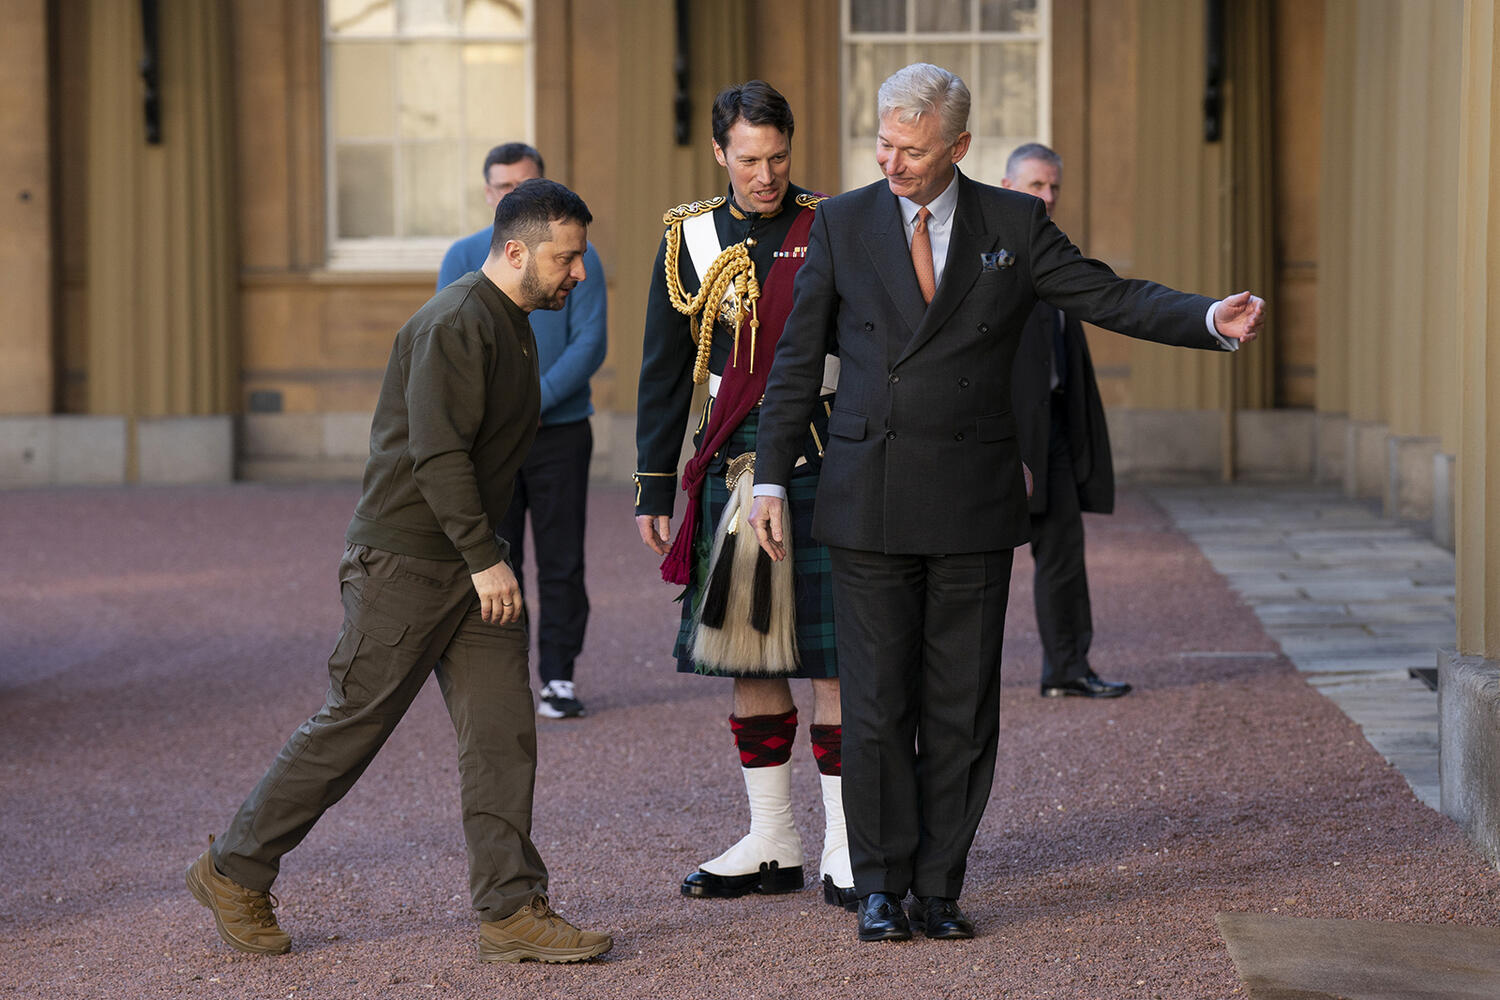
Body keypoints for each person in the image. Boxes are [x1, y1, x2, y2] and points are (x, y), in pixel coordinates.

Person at [749, 63, 1263, 944]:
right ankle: (878, 884)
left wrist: (1206, 316)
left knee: (961, 704)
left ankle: (939, 888)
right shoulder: (838, 222)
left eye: (911, 149)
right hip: (866, 494)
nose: (891, 161)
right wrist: (767, 477)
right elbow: (797, 360)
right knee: (875, 702)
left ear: (958, 147)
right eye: (882, 142)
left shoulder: (1015, 224)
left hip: (973, 501)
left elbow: (1106, 294)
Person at [185, 178, 612, 965]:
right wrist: (487, 559)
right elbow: (437, 454)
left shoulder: (513, 322)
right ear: (514, 251)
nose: (579, 274)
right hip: (407, 565)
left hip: (473, 567)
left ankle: (511, 910)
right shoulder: (455, 322)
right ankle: (232, 869)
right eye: (568, 258)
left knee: (502, 737)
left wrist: (487, 559)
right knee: (352, 727)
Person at [634, 81, 854, 909]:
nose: (767, 175)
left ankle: (844, 844)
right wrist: (655, 486)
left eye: (780, 158)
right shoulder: (686, 236)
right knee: (748, 648)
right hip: (733, 459)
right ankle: (773, 840)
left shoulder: (831, 220)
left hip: (828, 455)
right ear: (721, 153)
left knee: (834, 656)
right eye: (750, 159)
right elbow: (664, 371)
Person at [440, 143, 607, 720]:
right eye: (501, 187)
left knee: (561, 560)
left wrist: (533, 401)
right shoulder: (461, 256)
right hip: (493, 442)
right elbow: (453, 352)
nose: (511, 195)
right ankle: (501, 676)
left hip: (560, 434)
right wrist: (506, 410)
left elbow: (590, 343)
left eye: (524, 185)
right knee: (494, 557)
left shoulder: (580, 257)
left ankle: (558, 676)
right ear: (489, 196)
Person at [1001, 143, 1130, 700]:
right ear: (1007, 187)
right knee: (966, 568)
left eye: (1053, 186)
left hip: (1051, 428)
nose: (1047, 196)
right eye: (1035, 185)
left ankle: (1068, 669)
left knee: (1063, 554)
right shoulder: (978, 252)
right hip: (993, 436)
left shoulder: (1055, 252)